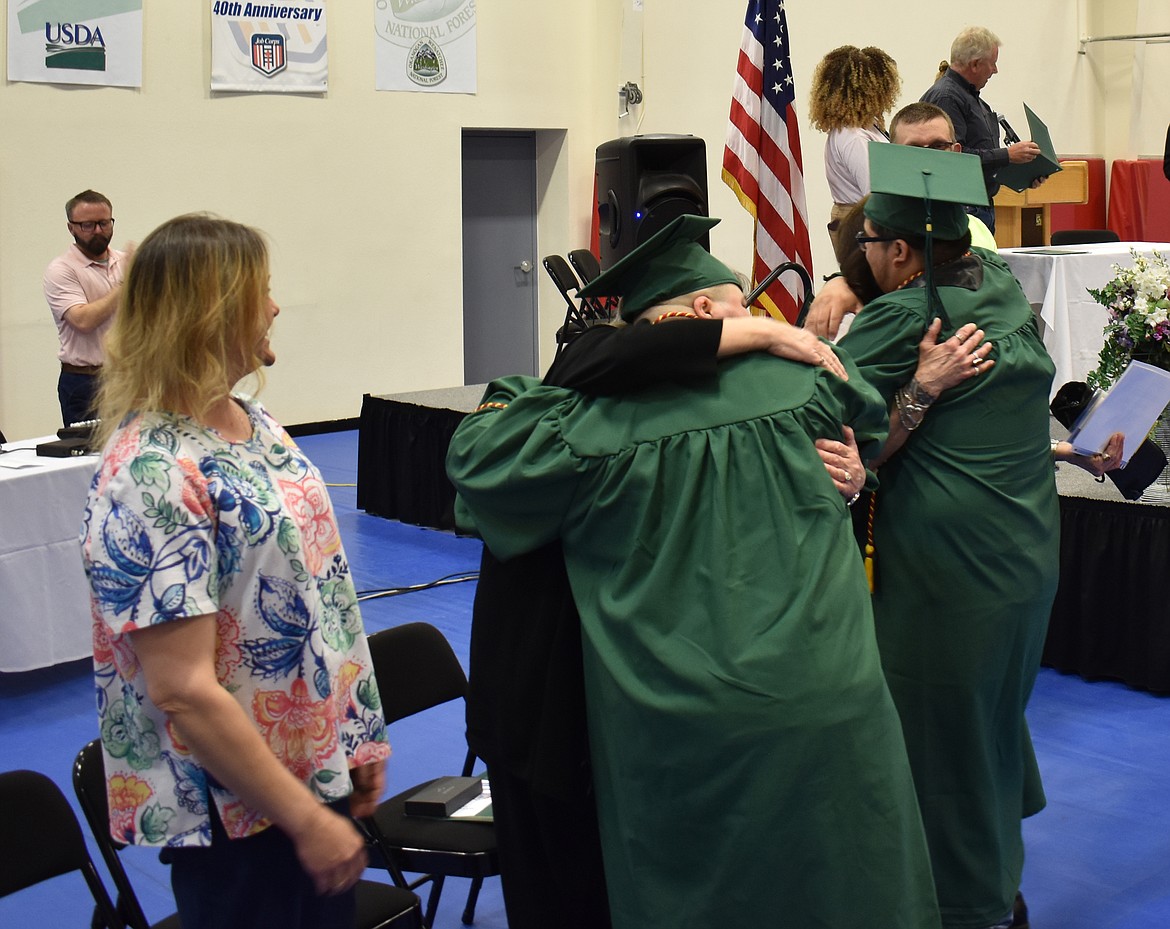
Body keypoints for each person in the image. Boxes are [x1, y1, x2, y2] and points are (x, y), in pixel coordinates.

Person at [449, 214, 944, 929]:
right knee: (842, 883)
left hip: (689, 729)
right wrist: (853, 469)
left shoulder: (583, 427)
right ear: (703, 314)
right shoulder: (806, 383)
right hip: (832, 697)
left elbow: (480, 462)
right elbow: (862, 421)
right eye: (743, 309)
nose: (760, 321)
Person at [80, 214, 389, 929]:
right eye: (263, 292)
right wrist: (304, 819)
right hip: (242, 815)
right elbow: (183, 689)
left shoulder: (257, 423)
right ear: (211, 312)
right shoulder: (149, 472)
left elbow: (323, 593)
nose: (276, 307)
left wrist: (356, 732)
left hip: (311, 776)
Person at [836, 147, 1118, 929]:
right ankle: (1000, 880)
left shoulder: (903, 317)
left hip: (946, 578)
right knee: (988, 724)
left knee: (938, 742)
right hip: (1024, 561)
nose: (863, 259)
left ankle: (968, 906)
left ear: (897, 251)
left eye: (867, 247)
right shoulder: (999, 289)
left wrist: (915, 392)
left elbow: (837, 445)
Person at [920, 26, 1041, 232]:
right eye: (993, 63)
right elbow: (952, 159)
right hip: (962, 209)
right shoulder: (948, 98)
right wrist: (1007, 155)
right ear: (975, 64)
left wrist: (1026, 172)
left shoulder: (973, 100)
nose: (995, 70)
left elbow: (981, 157)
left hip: (977, 207)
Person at [44, 189, 131, 427]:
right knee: (90, 458)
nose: (98, 231)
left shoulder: (126, 261)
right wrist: (125, 285)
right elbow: (82, 320)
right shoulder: (61, 270)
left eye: (104, 223)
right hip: (85, 381)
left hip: (127, 376)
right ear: (71, 227)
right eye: (88, 225)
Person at [808, 45, 901, 264]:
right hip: (860, 223)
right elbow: (875, 193)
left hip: (863, 220)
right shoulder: (853, 137)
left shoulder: (867, 128)